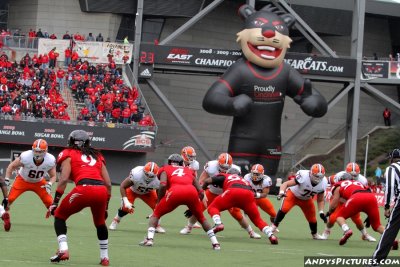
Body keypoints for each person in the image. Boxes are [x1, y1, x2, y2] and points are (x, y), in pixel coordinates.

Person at [47, 130, 112, 266]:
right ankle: (104, 258)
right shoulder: (97, 155)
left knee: (59, 216)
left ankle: (63, 249)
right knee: (100, 223)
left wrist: (55, 202)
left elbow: (64, 179)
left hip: (83, 189)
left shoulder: (68, 153)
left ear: (71, 141)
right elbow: (108, 183)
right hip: (101, 191)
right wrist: (106, 206)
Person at [139, 154, 220, 250]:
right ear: (182, 163)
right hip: (192, 193)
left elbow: (163, 185)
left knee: (156, 214)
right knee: (201, 218)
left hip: (175, 192)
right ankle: (215, 243)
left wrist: (159, 200)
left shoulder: (165, 168)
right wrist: (195, 204)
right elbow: (200, 191)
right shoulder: (189, 170)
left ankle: (149, 239)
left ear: (169, 162)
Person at [180, 153, 261, 239]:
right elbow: (202, 180)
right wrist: (199, 194)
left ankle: (251, 232)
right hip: (212, 191)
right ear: (218, 163)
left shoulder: (236, 169)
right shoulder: (211, 166)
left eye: (226, 168)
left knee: (237, 213)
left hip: (227, 194)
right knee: (198, 208)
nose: (223, 169)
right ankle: (189, 227)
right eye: (222, 167)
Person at [202, 168, 278, 244]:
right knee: (257, 220)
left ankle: (218, 223)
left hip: (233, 191)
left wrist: (202, 189)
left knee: (213, 207)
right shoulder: (243, 179)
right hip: (248, 194)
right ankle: (271, 235)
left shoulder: (225, 175)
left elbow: (207, 181)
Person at [326, 172, 398, 248]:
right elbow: (369, 191)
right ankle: (393, 240)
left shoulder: (339, 185)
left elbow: (333, 205)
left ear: (339, 179)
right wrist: (369, 216)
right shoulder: (358, 183)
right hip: (371, 198)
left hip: (356, 197)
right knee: (377, 226)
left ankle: (347, 230)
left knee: (339, 217)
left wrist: (329, 212)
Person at [4, 139, 56, 232]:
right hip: (22, 180)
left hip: (39, 182)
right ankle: (3, 215)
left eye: (40, 151)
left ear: (45, 151)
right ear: (32, 149)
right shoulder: (26, 156)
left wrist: (49, 184)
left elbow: (53, 176)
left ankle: (60, 220)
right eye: (36, 151)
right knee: (9, 199)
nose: (37, 153)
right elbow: (11, 166)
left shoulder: (50, 159)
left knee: (50, 203)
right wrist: (7, 179)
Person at [321, 162, 376, 242]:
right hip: (339, 198)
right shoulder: (339, 176)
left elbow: (367, 194)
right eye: (351, 175)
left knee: (357, 219)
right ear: (346, 173)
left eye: (355, 175)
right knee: (332, 218)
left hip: (352, 200)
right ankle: (327, 230)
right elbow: (326, 180)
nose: (353, 177)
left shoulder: (363, 180)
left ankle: (365, 234)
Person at [272, 163, 327, 240]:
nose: (318, 179)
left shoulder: (324, 182)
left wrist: (321, 211)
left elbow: (320, 199)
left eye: (320, 177)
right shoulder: (304, 176)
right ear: (311, 173)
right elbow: (286, 183)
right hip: (293, 195)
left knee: (312, 218)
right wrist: (281, 192)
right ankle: (273, 227)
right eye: (316, 176)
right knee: (284, 209)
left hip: (306, 199)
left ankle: (315, 234)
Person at [108, 162, 166, 233]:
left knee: (159, 208)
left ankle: (157, 226)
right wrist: (126, 201)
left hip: (148, 192)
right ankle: (116, 220)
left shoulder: (159, 178)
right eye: (147, 174)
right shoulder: (137, 173)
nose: (148, 177)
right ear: (143, 171)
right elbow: (123, 186)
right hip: (132, 190)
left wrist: (158, 204)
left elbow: (159, 191)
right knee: (126, 208)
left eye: (151, 176)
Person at [372, 148, 400, 262]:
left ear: (392, 159)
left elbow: (389, 188)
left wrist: (387, 206)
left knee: (390, 230)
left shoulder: (392, 168)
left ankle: (376, 261)